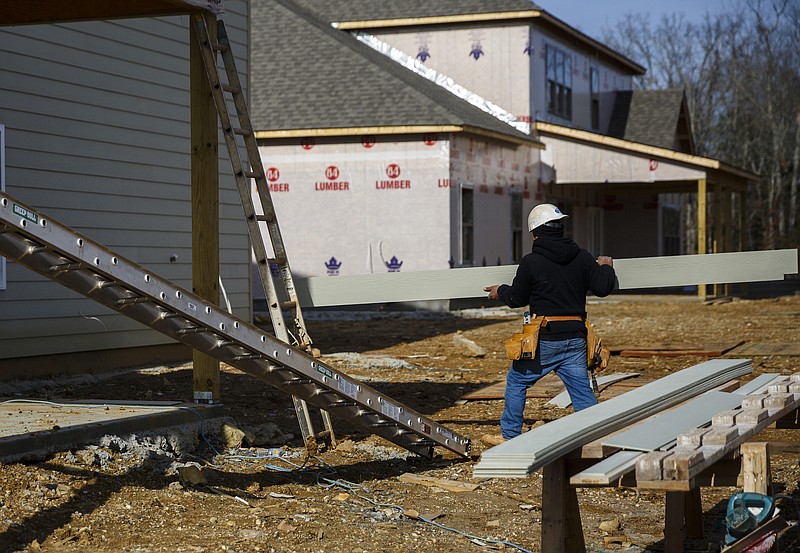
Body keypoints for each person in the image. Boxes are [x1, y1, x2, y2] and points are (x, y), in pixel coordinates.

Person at [483, 203, 616, 444]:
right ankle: (596, 438)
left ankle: (510, 436)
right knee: (581, 393)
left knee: (517, 380)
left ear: (535, 233)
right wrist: (606, 267)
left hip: (546, 339)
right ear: (560, 229)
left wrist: (499, 290)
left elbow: (517, 298)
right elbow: (603, 287)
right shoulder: (583, 257)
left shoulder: (532, 262)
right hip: (576, 338)